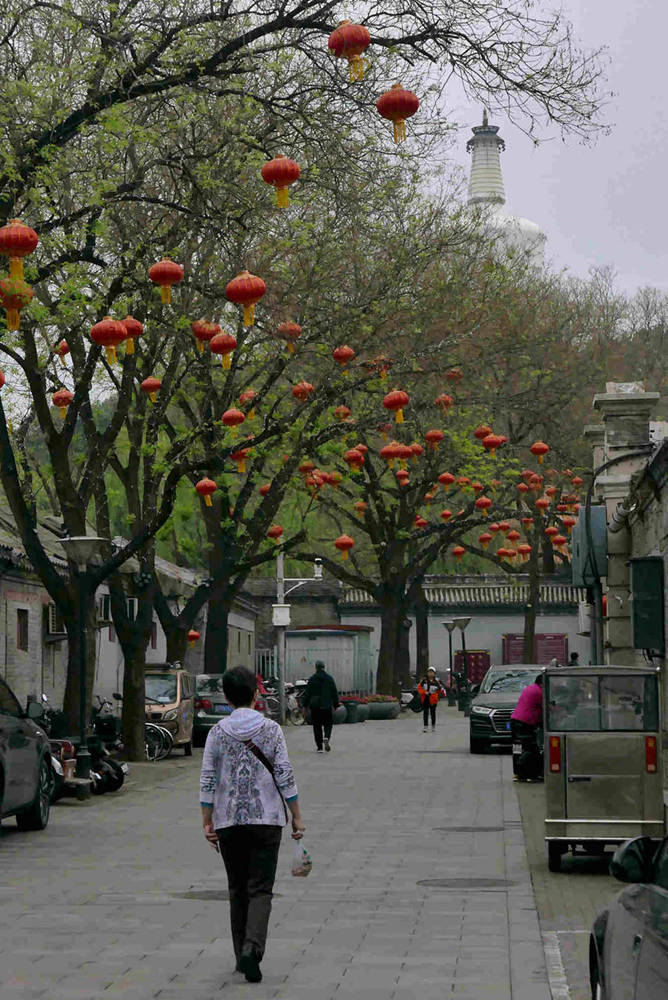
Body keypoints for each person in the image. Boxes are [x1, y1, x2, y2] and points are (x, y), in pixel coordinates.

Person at [200, 665, 305, 984]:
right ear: (256, 694)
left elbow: (208, 778)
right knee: (260, 889)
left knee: (237, 888)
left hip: (229, 819)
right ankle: (252, 949)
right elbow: (284, 773)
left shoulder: (217, 732)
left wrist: (207, 819)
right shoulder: (272, 730)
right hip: (266, 819)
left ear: (227, 697)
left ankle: (239, 955)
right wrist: (296, 813)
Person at [511, 673, 544, 781]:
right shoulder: (539, 692)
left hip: (516, 721)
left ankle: (518, 773)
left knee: (518, 748)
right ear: (542, 683)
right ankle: (526, 773)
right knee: (531, 748)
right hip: (525, 723)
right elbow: (548, 707)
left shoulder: (530, 688)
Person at [301, 660, 339, 753]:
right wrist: (335, 704)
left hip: (315, 706)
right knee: (328, 724)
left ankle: (319, 747)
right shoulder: (329, 678)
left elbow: (307, 693)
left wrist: (304, 706)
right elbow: (334, 692)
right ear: (324, 667)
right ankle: (326, 737)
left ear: (316, 667)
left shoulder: (312, 679)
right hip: (326, 705)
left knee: (317, 726)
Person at [417, 666, 446, 733]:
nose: (430, 674)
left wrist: (440, 694)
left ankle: (433, 726)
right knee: (425, 713)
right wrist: (424, 692)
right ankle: (425, 727)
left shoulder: (437, 681)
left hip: (433, 699)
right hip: (425, 698)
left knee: (433, 713)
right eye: (429, 672)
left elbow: (440, 689)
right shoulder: (423, 681)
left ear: (434, 673)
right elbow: (419, 688)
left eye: (432, 672)